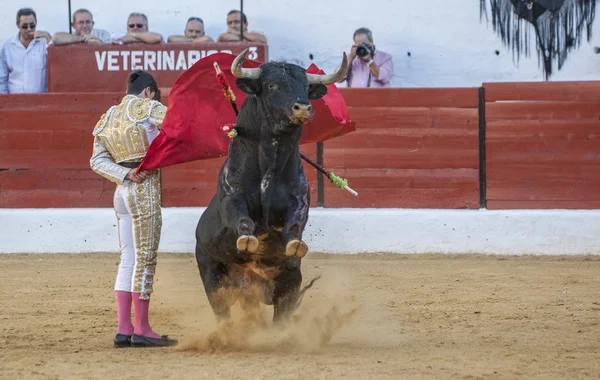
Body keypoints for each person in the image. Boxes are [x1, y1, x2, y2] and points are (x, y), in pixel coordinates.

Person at [89, 70, 177, 348]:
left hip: (121, 191)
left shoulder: (108, 117)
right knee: (145, 257)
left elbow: (96, 161)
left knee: (128, 256)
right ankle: (142, 328)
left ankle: (124, 329)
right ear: (149, 91)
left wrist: (123, 174)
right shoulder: (148, 107)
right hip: (144, 189)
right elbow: (179, 125)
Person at [0, 7, 52, 94]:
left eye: (32, 25)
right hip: (14, 101)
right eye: (25, 26)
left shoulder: (43, 44)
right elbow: (2, 78)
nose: (29, 29)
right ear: (17, 25)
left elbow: (56, 53)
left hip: (39, 101)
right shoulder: (8, 47)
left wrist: (46, 35)